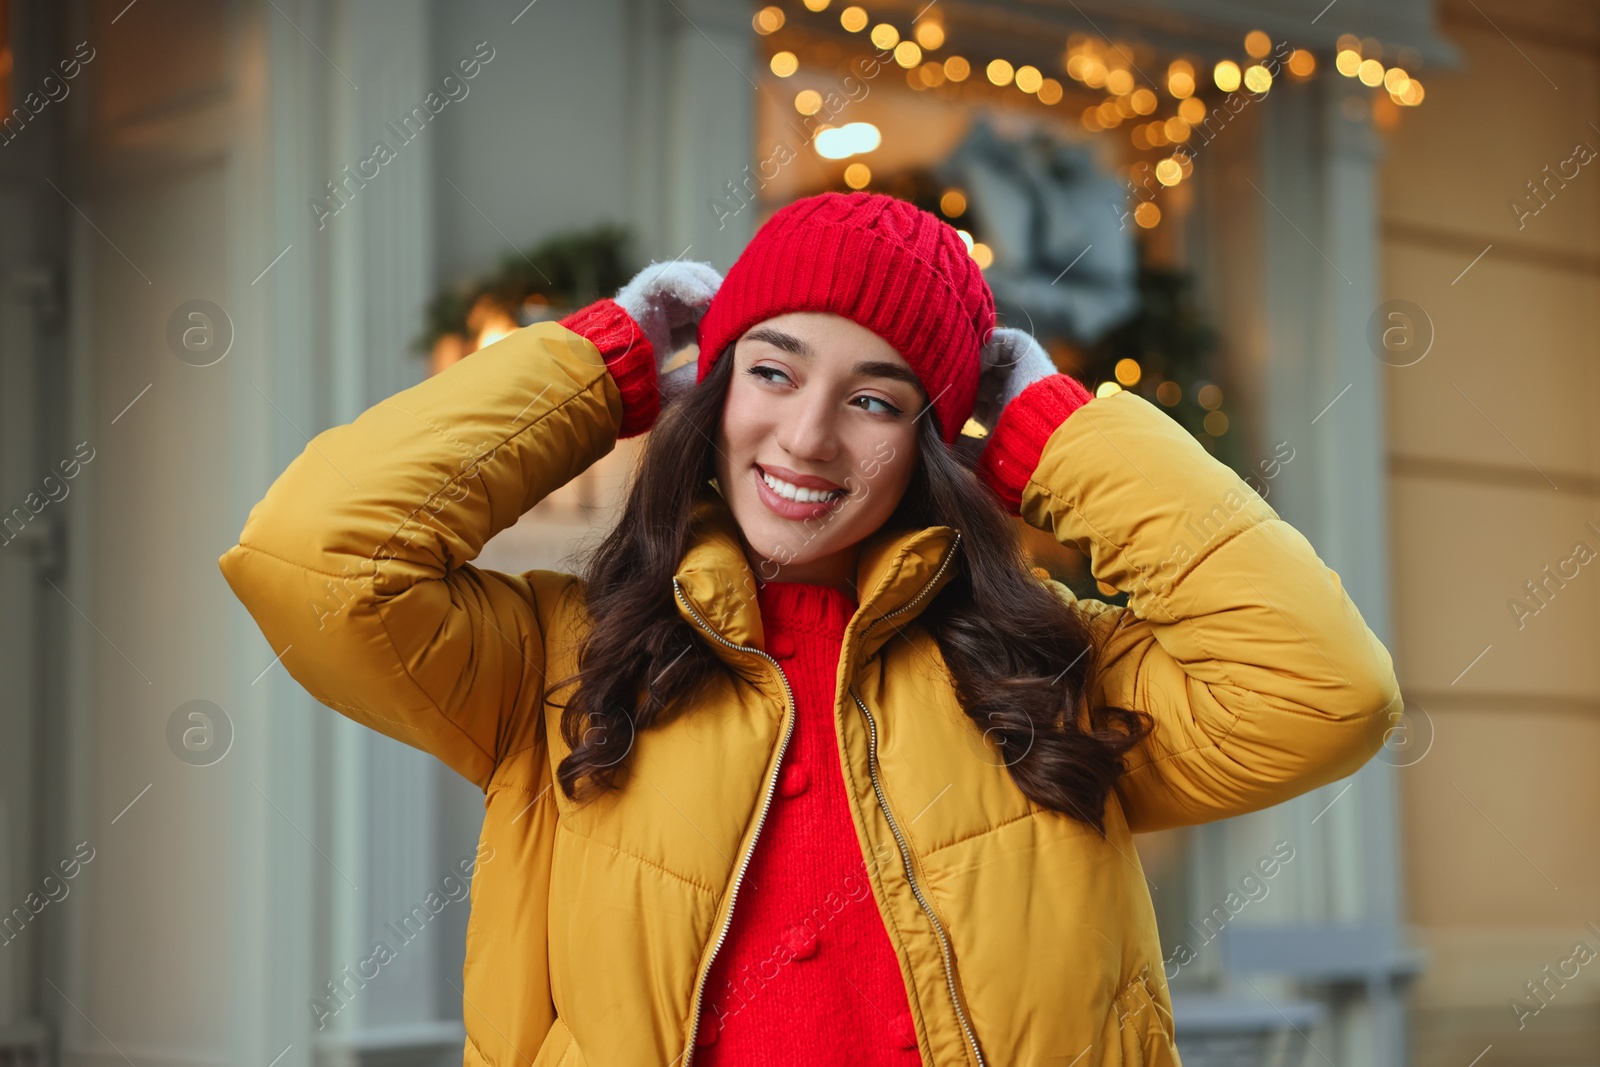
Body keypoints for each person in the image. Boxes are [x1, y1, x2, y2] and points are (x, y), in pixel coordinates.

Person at [218, 191, 1401, 1067]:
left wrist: (1051, 425)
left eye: (875, 398)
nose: (806, 439)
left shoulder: (1049, 669)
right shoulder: (560, 656)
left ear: (934, 437)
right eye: (773, 373)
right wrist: (603, 357)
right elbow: (312, 554)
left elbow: (1327, 687)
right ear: (714, 388)